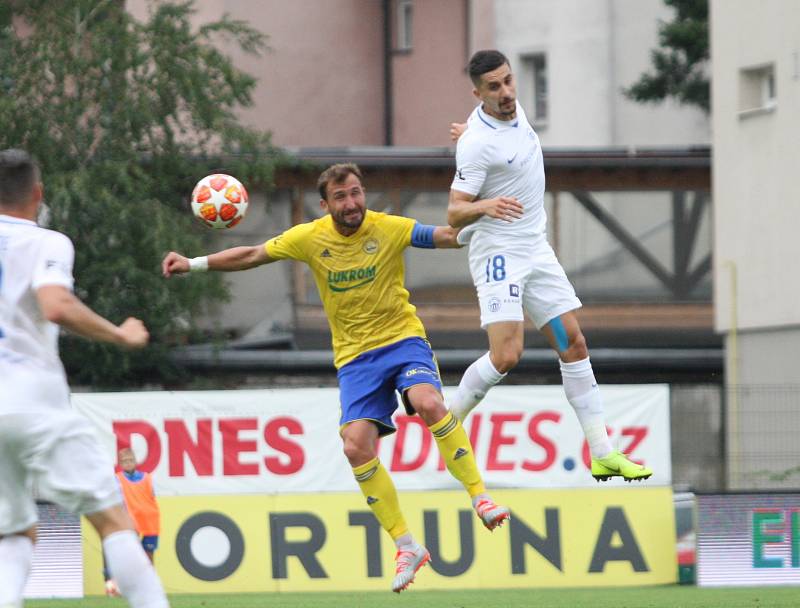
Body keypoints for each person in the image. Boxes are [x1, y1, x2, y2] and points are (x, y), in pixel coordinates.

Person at [162, 163, 510, 593]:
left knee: (429, 404)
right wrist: (193, 264)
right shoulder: (308, 237)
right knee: (354, 446)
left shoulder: (388, 227)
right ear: (325, 205)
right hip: (356, 360)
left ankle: (480, 496)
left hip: (402, 341)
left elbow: (439, 236)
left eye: (357, 193)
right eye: (342, 197)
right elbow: (252, 254)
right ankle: (406, 545)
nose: (352, 203)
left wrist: (483, 228)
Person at [447, 50, 652, 483]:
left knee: (572, 341)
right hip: (499, 253)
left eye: (508, 82)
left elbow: (502, 146)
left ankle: (602, 453)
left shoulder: (507, 114)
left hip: (535, 251)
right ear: (477, 93)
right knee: (507, 355)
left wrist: (470, 131)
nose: (505, 93)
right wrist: (485, 200)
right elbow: (454, 212)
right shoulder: (477, 144)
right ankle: (447, 425)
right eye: (494, 87)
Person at [0, 149, 170, 608]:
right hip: (33, 399)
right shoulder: (48, 242)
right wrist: (120, 334)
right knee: (114, 521)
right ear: (37, 194)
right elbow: (56, 305)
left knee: (14, 531)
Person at [104, 448, 161, 597]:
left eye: (130, 460)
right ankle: (117, 588)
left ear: (135, 461)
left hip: (149, 522)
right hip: (130, 524)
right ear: (120, 464)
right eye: (124, 461)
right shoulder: (117, 479)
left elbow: (153, 497)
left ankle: (149, 588)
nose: (128, 463)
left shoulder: (149, 478)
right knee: (126, 556)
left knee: (148, 557)